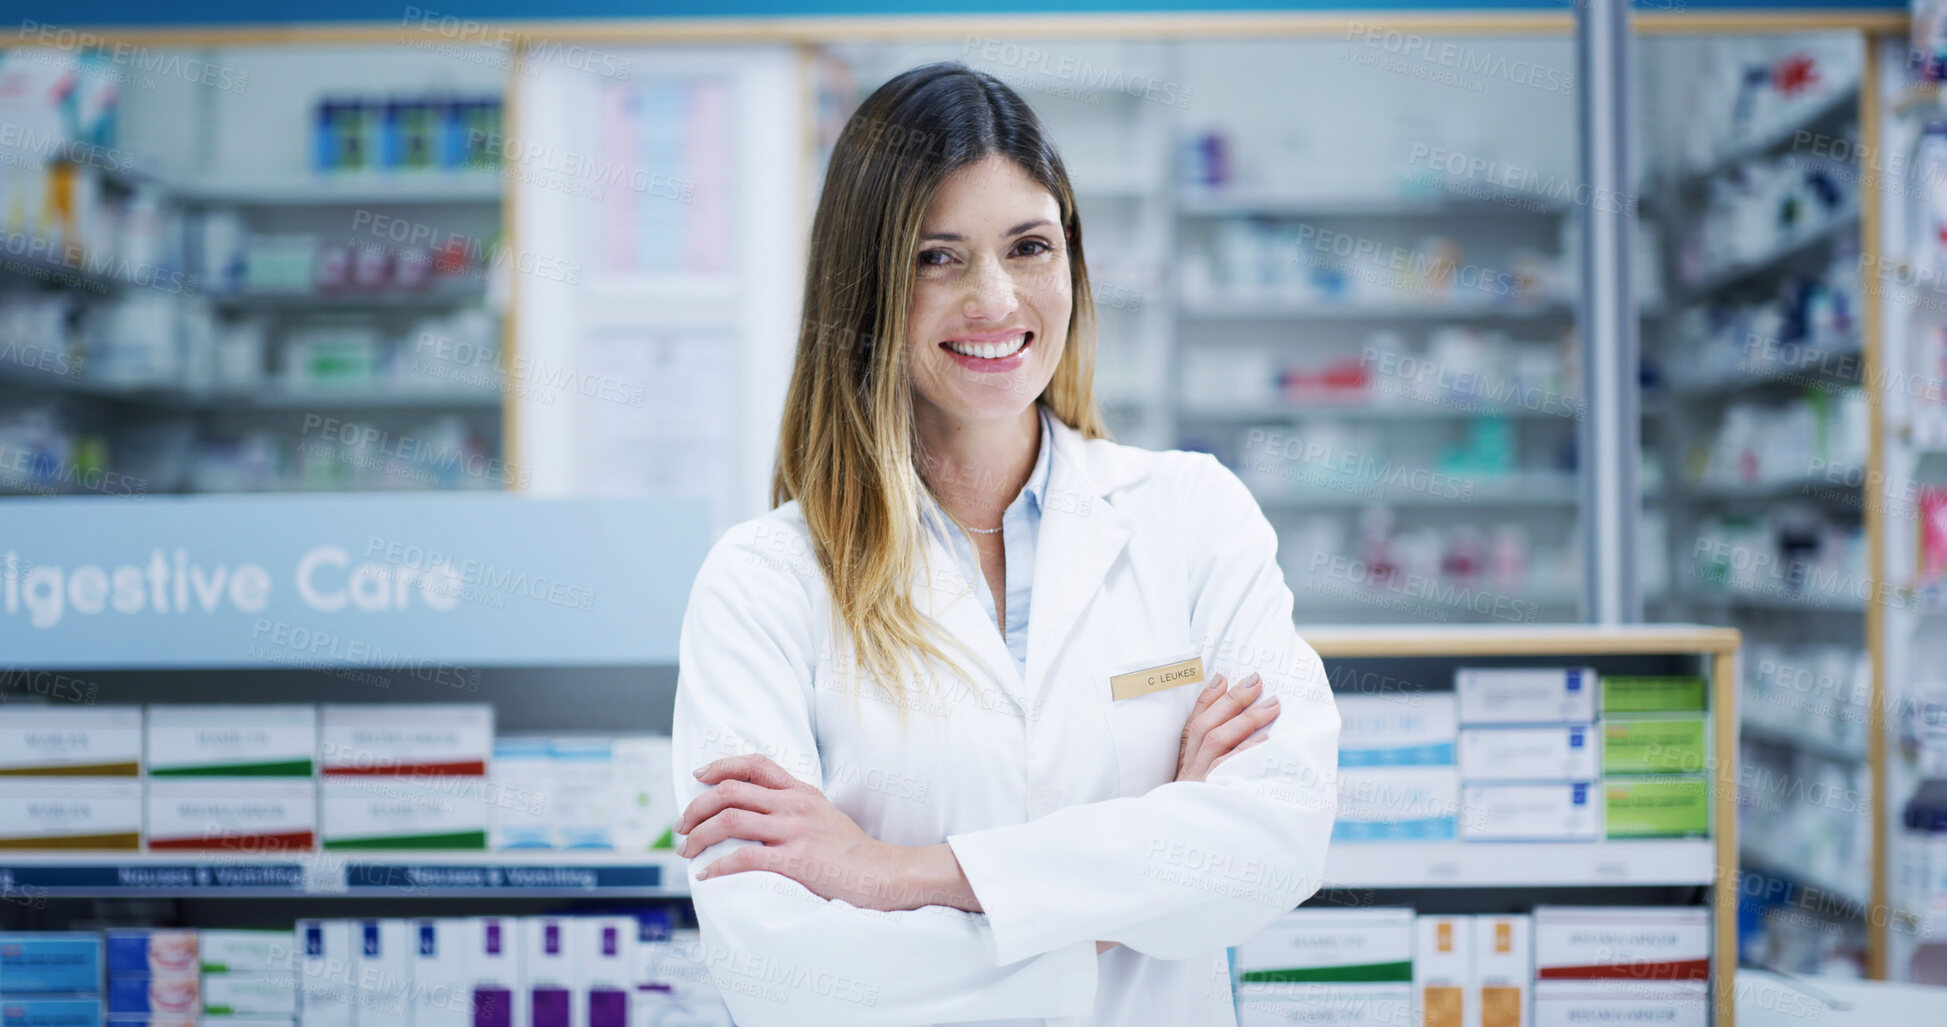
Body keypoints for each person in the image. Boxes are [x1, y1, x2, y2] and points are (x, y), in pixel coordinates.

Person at [669, 61, 1340, 1026]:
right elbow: (780, 967)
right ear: (863, 285)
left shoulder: (1193, 516)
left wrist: (891, 873)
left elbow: (1278, 836)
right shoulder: (763, 582)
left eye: (1029, 246)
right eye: (937, 256)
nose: (995, 298)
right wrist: (1140, 885)